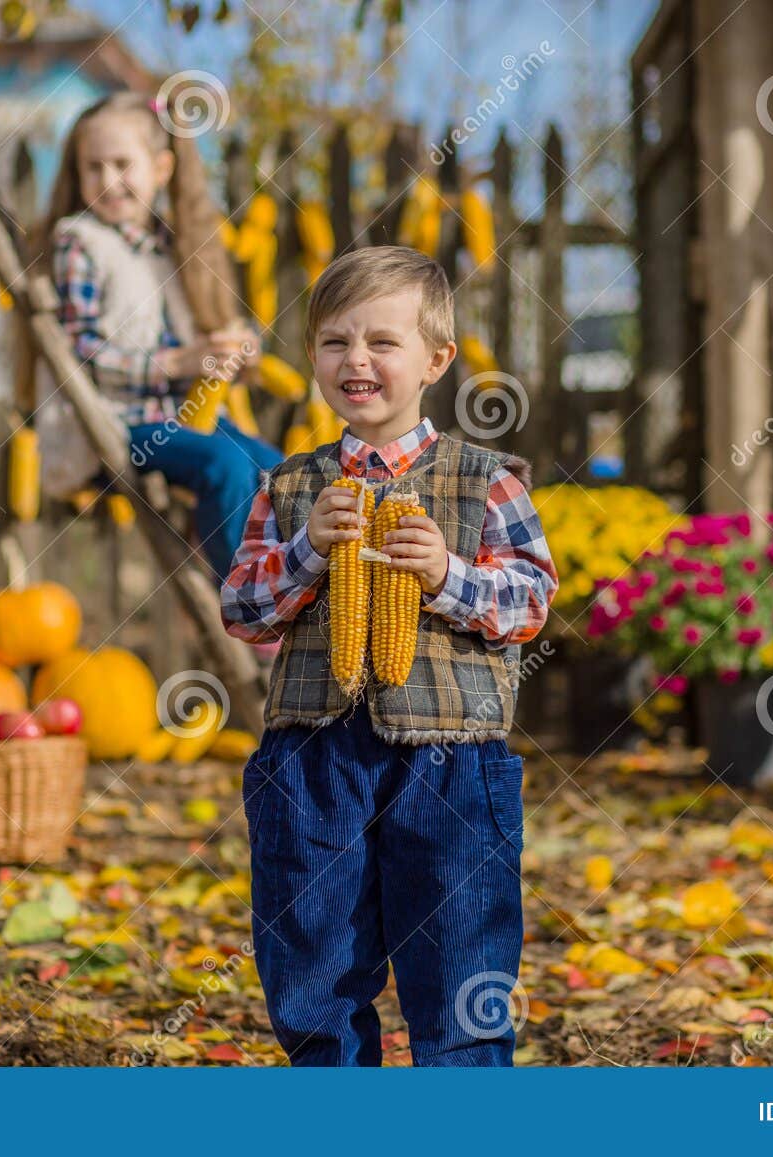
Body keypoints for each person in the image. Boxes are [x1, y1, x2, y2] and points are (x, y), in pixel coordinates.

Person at [220, 246, 558, 1065]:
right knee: (314, 960)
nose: (356, 360)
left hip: (453, 763)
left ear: (437, 359)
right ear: (312, 360)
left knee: (459, 961)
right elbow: (244, 612)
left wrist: (446, 574)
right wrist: (306, 550)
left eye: (382, 342)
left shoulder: (489, 481)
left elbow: (531, 603)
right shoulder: (287, 486)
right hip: (312, 759)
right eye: (335, 342)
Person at [32, 91, 281, 580]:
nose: (108, 181)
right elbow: (82, 355)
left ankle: (296, 586)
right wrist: (178, 363)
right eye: (94, 167)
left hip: (183, 416)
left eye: (123, 164)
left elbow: (184, 335)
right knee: (224, 467)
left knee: (280, 470)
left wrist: (228, 348)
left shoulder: (168, 246)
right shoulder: (80, 243)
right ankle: (248, 596)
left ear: (161, 169)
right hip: (119, 422)